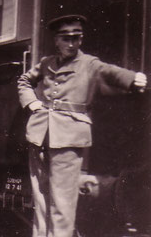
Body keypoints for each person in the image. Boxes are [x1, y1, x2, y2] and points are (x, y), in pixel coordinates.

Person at [17, 14, 148, 237]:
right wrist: (32, 103)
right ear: (56, 40)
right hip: (39, 135)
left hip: (68, 137)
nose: (72, 44)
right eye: (66, 39)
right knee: (40, 198)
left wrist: (134, 78)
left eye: (76, 38)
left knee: (62, 203)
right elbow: (24, 81)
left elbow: (110, 72)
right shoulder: (46, 63)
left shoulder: (89, 64)